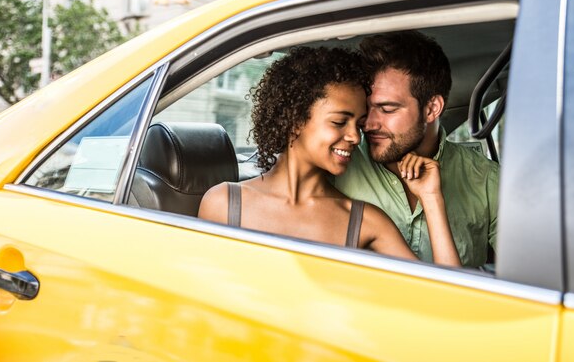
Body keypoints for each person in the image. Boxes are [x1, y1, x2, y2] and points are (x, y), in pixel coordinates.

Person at [199, 46, 461, 267]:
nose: (356, 137)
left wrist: (431, 198)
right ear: (295, 120)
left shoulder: (365, 221)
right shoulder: (223, 204)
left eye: (358, 125)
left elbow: (451, 298)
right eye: (339, 122)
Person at [334, 31, 499, 268]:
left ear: (431, 109)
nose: (368, 124)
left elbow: (528, 281)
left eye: (387, 109)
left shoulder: (487, 181)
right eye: (365, 109)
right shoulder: (338, 165)